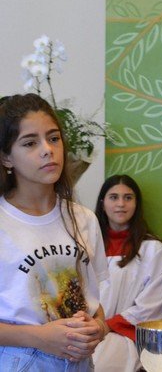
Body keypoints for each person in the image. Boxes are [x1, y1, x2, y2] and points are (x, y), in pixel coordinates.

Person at [0, 93, 109, 371]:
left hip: (80, 362)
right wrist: (39, 337)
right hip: (20, 360)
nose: (47, 150)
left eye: (54, 138)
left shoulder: (84, 219)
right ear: (6, 158)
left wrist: (98, 327)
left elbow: (94, 304)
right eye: (30, 143)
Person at [92, 174, 162, 371]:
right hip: (90, 330)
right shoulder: (88, 248)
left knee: (96, 365)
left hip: (127, 335)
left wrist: (106, 326)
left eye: (128, 197)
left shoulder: (155, 251)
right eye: (114, 197)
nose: (121, 204)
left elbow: (151, 307)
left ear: (137, 204)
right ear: (103, 203)